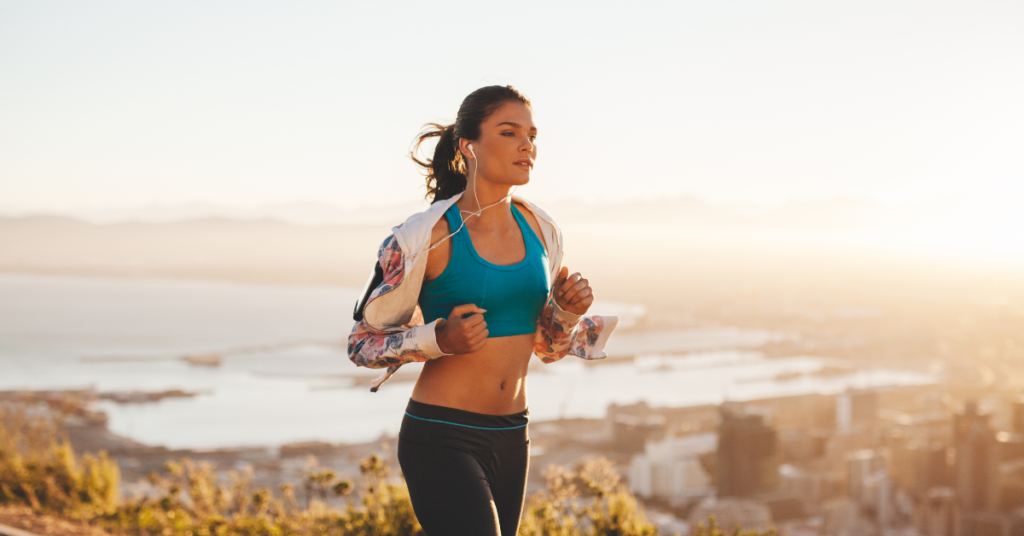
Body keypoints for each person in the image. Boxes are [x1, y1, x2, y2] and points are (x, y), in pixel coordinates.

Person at [347, 85, 618, 535]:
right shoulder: (423, 237)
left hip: (514, 435)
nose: (527, 145)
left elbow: (546, 349)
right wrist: (438, 339)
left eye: (532, 135)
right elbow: (361, 345)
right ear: (468, 146)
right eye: (509, 132)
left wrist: (565, 313)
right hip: (441, 434)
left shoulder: (542, 230)